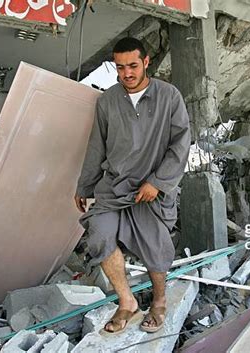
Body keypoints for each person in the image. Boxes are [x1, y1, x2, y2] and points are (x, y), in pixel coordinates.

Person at [74, 37, 190, 334]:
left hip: (150, 191)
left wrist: (158, 182)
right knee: (99, 235)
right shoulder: (108, 101)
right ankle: (127, 302)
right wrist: (84, 186)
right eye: (120, 67)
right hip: (113, 187)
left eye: (133, 66)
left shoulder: (169, 96)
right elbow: (96, 147)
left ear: (146, 62)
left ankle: (160, 300)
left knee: (156, 246)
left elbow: (180, 144)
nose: (127, 73)